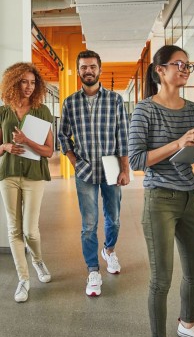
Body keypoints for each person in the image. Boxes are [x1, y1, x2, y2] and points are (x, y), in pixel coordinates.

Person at [128, 45, 194, 337]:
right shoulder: (144, 110)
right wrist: (178, 143)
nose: (186, 68)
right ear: (159, 71)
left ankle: (188, 324)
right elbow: (136, 161)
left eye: (188, 64)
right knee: (162, 277)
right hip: (159, 198)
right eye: (179, 64)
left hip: (189, 196)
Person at [58, 50, 130, 296]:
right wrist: (73, 161)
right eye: (83, 67)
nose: (88, 71)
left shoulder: (115, 100)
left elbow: (123, 135)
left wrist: (125, 169)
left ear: (99, 69)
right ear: (78, 71)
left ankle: (109, 251)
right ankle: (92, 270)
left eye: (92, 67)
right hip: (85, 169)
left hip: (111, 167)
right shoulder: (70, 102)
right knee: (89, 224)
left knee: (115, 218)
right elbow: (62, 136)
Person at [0, 62, 54, 303]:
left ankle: (38, 261)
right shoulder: (3, 113)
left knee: (30, 230)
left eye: (33, 83)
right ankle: (24, 279)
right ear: (14, 82)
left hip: (34, 176)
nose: (29, 87)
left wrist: (26, 140)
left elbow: (49, 151)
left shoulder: (42, 111)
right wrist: (5, 146)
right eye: (24, 82)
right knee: (14, 229)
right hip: (9, 174)